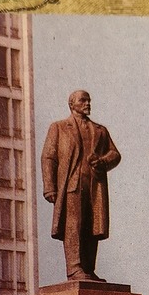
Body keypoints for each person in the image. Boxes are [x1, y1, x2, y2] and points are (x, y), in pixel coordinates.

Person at [41, 90, 121, 282]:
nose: (87, 104)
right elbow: (48, 157)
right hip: (71, 185)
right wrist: (49, 186)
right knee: (74, 226)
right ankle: (75, 268)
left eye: (89, 100)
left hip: (95, 185)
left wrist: (102, 160)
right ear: (72, 104)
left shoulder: (100, 130)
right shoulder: (59, 127)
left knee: (92, 226)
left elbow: (115, 154)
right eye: (82, 100)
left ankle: (88, 269)